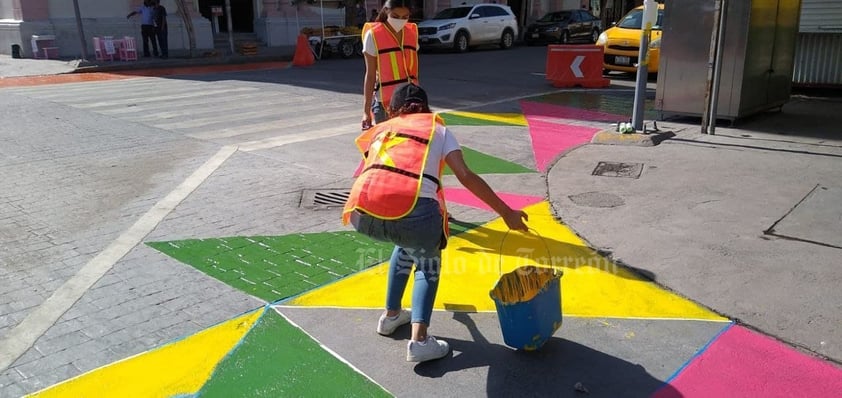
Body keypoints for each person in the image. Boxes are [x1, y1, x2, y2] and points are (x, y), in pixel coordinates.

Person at [343, 83, 529, 362]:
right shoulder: (438, 130)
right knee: (427, 264)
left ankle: (391, 315)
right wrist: (506, 213)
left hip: (362, 213)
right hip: (412, 216)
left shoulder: (383, 129)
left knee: (405, 244)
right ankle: (419, 341)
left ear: (393, 109)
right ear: (427, 108)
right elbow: (465, 176)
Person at [361, 0, 419, 129]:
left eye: (405, 17)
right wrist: (366, 112)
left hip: (411, 101)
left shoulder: (411, 34)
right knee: (387, 147)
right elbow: (370, 76)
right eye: (395, 16)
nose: (400, 21)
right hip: (385, 105)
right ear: (386, 11)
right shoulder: (373, 35)